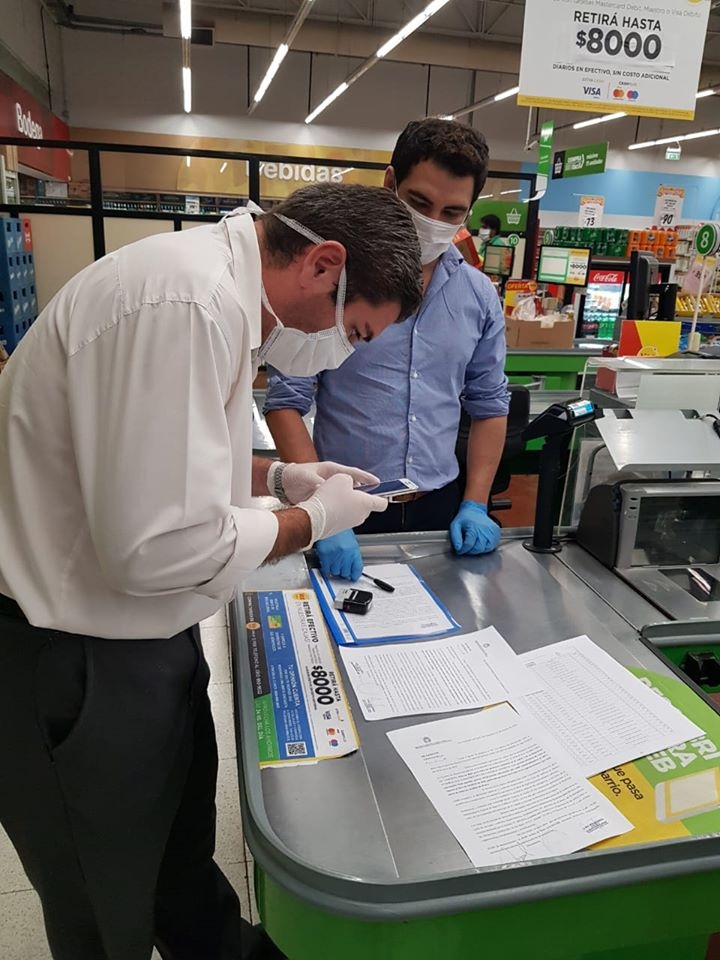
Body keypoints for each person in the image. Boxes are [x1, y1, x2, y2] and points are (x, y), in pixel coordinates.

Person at [0, 183, 422, 960]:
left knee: (179, 872)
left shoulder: (214, 292)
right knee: (105, 913)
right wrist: (312, 520)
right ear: (324, 264)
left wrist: (278, 479)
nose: (341, 350)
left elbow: (158, 464)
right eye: (354, 331)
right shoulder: (187, 304)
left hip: (146, 640)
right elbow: (156, 546)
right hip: (72, 659)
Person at [264, 119, 510, 582]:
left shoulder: (478, 296)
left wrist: (476, 503)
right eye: (419, 202)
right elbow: (285, 400)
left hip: (440, 505)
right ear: (390, 182)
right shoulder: (337, 279)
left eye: (452, 212)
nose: (433, 221)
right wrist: (320, 508)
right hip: (345, 500)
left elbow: (490, 405)